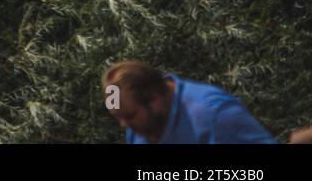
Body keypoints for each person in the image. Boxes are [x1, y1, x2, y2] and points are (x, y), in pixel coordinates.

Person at [102, 60, 275, 144]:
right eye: (118, 117)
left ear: (154, 98)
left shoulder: (215, 114)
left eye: (130, 115)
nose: (123, 124)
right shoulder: (139, 123)